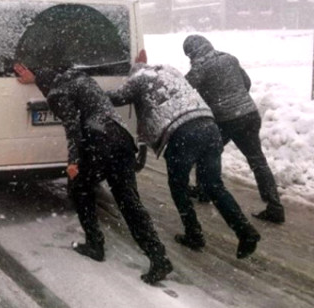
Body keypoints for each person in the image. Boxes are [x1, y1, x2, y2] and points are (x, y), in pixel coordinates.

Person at [13, 63, 173, 285]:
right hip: (121, 138)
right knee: (128, 201)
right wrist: (37, 76)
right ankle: (158, 255)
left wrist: (73, 161)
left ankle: (95, 244)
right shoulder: (83, 79)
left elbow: (72, 126)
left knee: (79, 189)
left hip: (99, 142)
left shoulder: (57, 93)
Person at [106, 63, 261, 259]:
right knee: (214, 185)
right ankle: (245, 231)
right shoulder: (170, 71)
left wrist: (95, 93)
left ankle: (194, 234)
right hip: (209, 126)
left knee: (178, 186)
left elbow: (118, 97)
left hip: (183, 134)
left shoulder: (138, 79)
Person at [183, 35, 285, 224]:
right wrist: (235, 97)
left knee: (206, 153)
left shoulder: (200, 67)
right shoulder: (229, 58)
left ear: (192, 52)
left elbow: (183, 88)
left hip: (226, 119)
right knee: (257, 160)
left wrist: (213, 98)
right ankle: (275, 207)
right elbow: (246, 82)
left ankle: (204, 190)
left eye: (189, 54)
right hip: (249, 115)